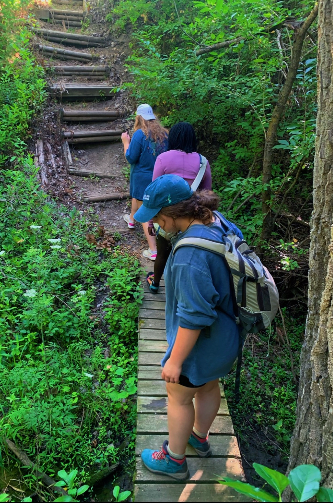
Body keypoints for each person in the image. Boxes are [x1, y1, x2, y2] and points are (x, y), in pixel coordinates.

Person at [134, 174, 242, 480]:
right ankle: (199, 437)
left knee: (178, 396)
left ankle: (174, 460)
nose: (154, 224)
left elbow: (193, 316)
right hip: (226, 337)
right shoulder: (215, 221)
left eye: (156, 218)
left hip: (201, 343)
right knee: (208, 386)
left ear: (171, 215)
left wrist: (175, 361)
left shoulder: (188, 257)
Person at [147, 121, 212, 292]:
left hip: (168, 218)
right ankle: (184, 289)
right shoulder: (203, 162)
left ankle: (155, 284)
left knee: (162, 253)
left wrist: (150, 222)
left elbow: (155, 192)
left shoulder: (163, 159)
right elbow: (207, 194)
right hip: (193, 221)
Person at [121, 104, 168, 261]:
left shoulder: (140, 135)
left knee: (147, 215)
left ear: (139, 117)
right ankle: (131, 220)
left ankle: (153, 250)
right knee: (139, 200)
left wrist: (125, 142)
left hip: (142, 179)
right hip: (159, 178)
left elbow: (130, 157)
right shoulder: (164, 135)